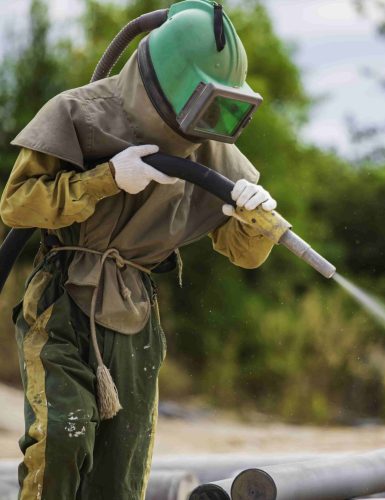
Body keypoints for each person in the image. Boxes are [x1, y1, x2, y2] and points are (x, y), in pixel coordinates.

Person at [0, 1, 282, 498]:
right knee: (63, 440)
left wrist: (255, 221)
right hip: (63, 301)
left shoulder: (214, 152)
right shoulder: (77, 111)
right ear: (169, 83)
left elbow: (242, 253)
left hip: (135, 319)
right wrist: (105, 179)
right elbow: (17, 206)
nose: (208, 124)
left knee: (120, 475)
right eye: (204, 104)